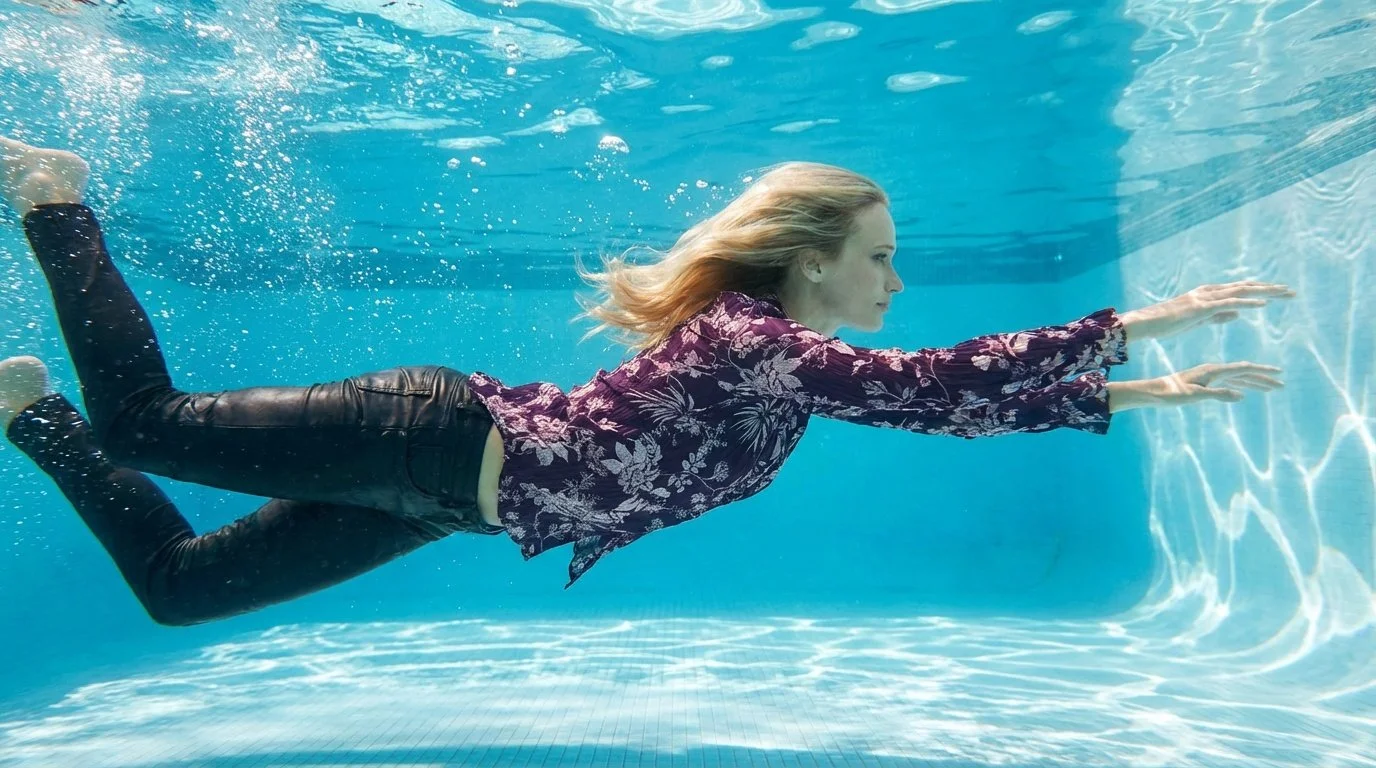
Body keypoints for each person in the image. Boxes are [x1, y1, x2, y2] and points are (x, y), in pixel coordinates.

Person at [0, 136, 1294, 626]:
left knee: (181, 594)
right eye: (882, 259)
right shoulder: (751, 341)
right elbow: (926, 384)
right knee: (149, 426)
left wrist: (1128, 396)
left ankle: (29, 415)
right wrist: (1134, 324)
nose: (897, 282)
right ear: (814, 257)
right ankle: (58, 199)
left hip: (445, 497)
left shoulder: (790, 371)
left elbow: (943, 408)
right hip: (427, 437)